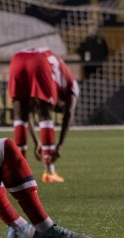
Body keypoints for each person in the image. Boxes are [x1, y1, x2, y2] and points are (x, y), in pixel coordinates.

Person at [8, 47, 79, 183]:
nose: (55, 109)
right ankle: (49, 171)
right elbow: (69, 113)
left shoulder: (57, 74)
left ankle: (18, 174)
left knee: (20, 117)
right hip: (38, 61)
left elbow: (28, 114)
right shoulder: (72, 85)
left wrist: (37, 142)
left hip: (17, 59)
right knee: (45, 115)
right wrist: (59, 145)